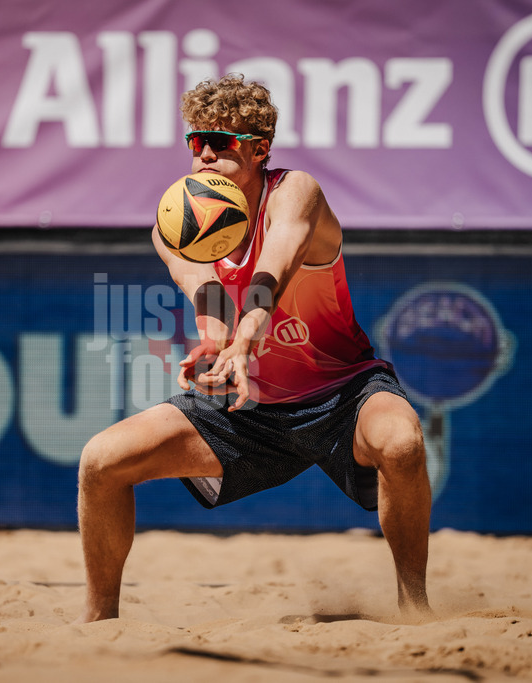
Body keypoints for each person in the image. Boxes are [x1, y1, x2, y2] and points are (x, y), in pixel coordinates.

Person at [76, 74, 432, 623]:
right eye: (196, 141)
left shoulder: (295, 192)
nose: (205, 154)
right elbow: (210, 297)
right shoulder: (179, 221)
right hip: (252, 406)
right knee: (101, 461)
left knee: (403, 443)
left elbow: (275, 268)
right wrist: (217, 345)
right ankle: (100, 623)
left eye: (221, 142)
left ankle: (415, 607)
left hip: (343, 392)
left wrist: (246, 337)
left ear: (260, 149)